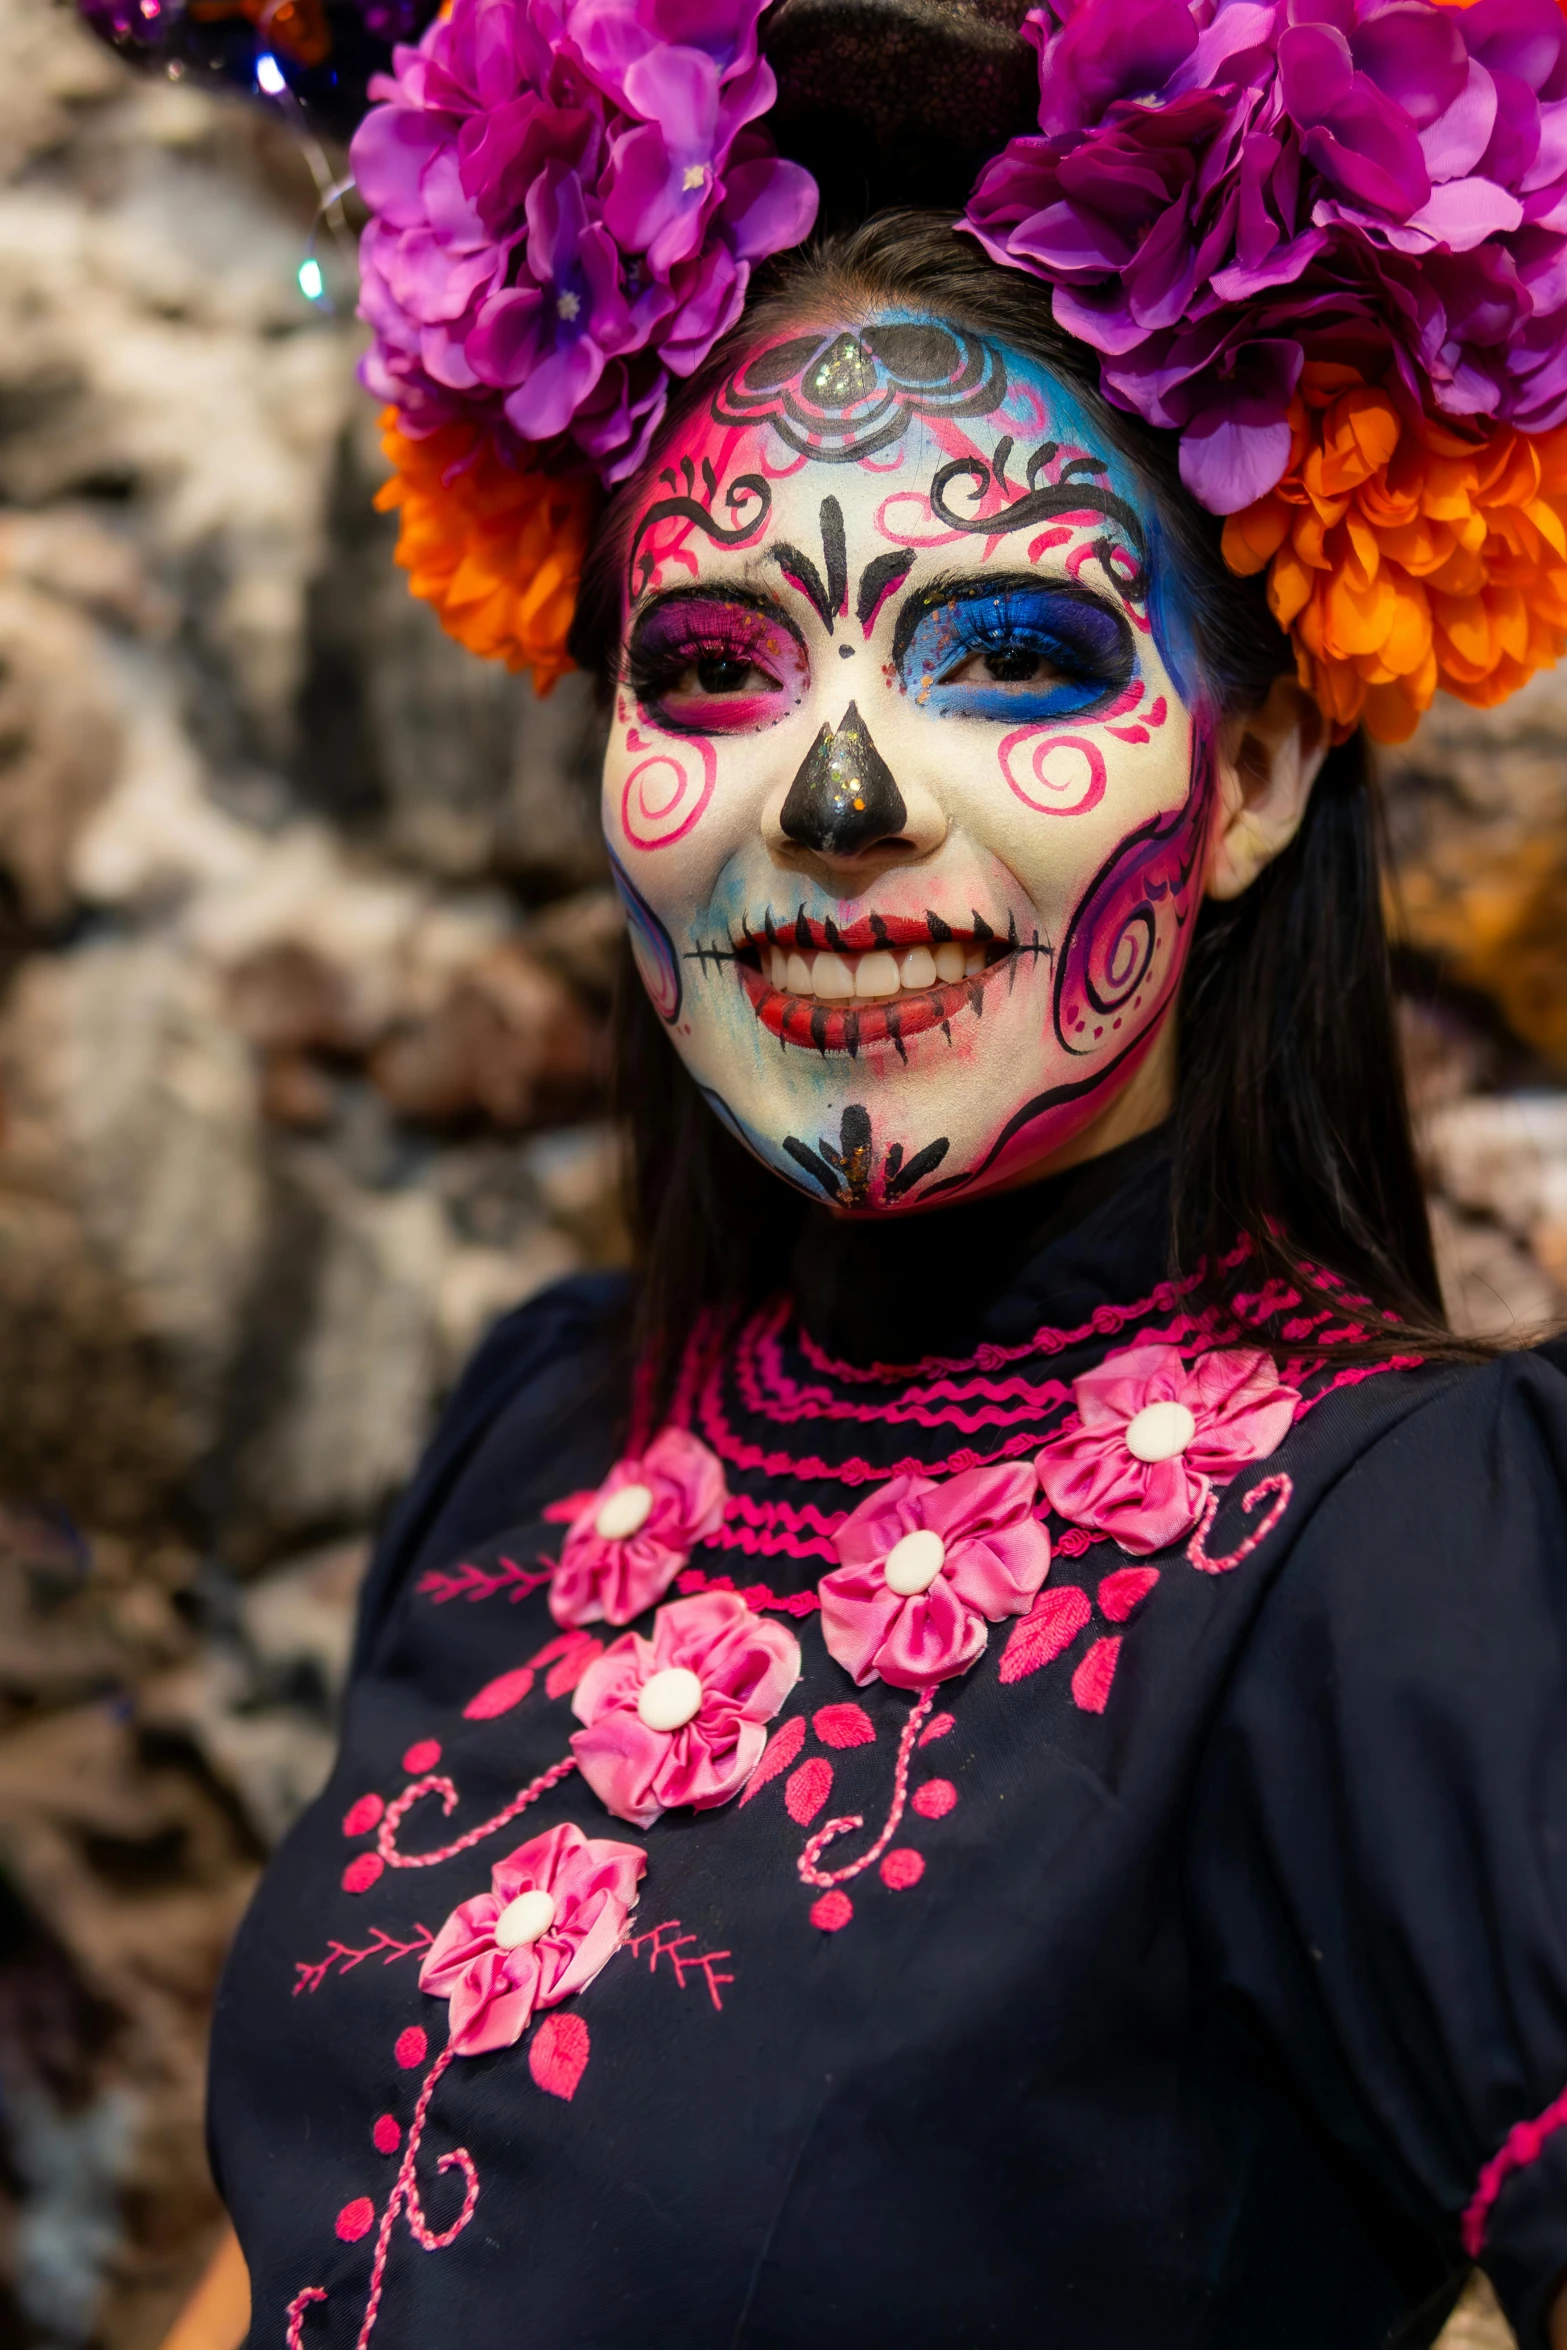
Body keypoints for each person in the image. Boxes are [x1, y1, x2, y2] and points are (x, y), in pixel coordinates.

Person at [166, 2, 1567, 2345]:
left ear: (1258, 775)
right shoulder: (546, 1422)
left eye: (1007, 649)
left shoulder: (1402, 1552)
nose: (837, 807)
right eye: (712, 662)